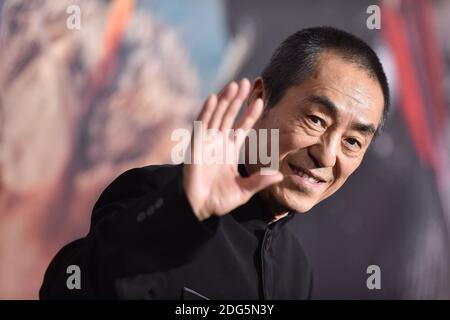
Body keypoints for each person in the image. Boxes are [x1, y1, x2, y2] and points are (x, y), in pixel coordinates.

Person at [40, 26, 389, 299]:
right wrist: (181, 211)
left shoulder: (297, 270)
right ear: (260, 99)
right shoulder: (156, 195)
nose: (327, 155)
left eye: (353, 142)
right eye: (315, 120)